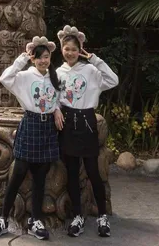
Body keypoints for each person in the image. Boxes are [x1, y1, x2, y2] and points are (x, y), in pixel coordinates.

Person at [0, 36, 64, 240]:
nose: (43, 61)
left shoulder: (54, 76)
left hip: (48, 128)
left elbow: (57, 98)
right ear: (33, 59)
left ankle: (35, 221)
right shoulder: (25, 76)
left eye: (46, 57)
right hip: (30, 124)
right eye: (38, 57)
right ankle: (3, 219)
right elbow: (5, 78)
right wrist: (22, 57)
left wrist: (56, 110)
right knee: (18, 173)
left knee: (40, 178)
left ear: (50, 58)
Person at [56, 25, 119, 239]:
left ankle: (102, 216)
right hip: (67, 124)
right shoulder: (58, 73)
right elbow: (53, 98)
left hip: (87, 123)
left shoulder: (91, 70)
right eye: (66, 49)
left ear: (80, 49)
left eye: (74, 49)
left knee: (93, 172)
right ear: (62, 50)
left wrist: (94, 59)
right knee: (72, 174)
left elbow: (113, 80)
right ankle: (77, 216)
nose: (70, 52)